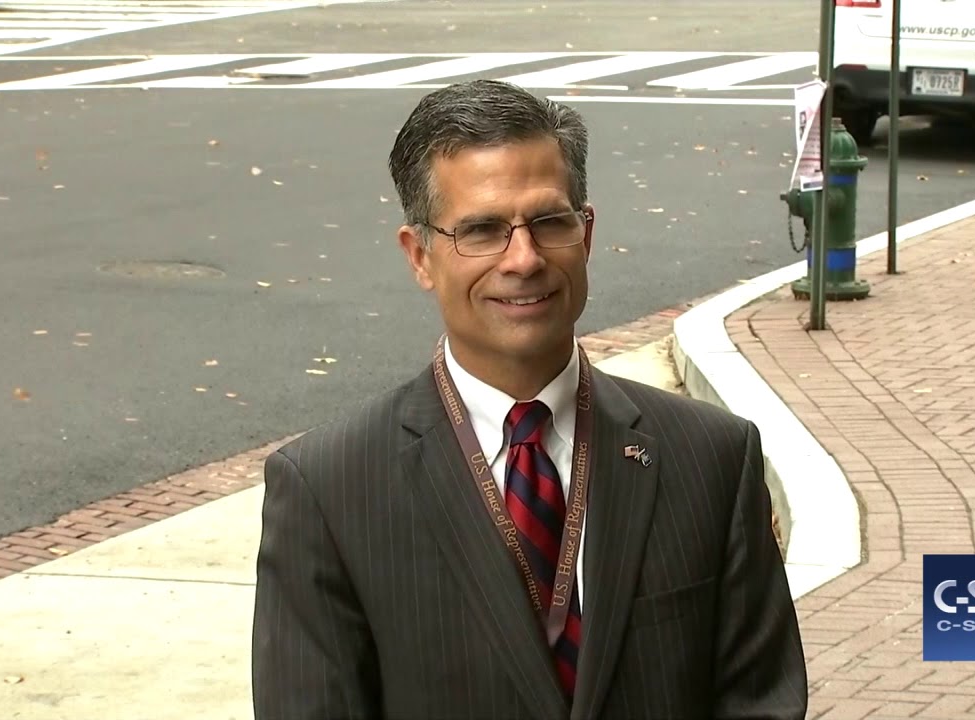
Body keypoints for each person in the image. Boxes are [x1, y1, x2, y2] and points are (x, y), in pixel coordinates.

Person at [250, 79, 808, 719]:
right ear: (420, 256)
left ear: (587, 233)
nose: (524, 258)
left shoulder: (711, 459)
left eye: (548, 221)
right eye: (481, 230)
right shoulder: (330, 490)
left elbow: (760, 703)